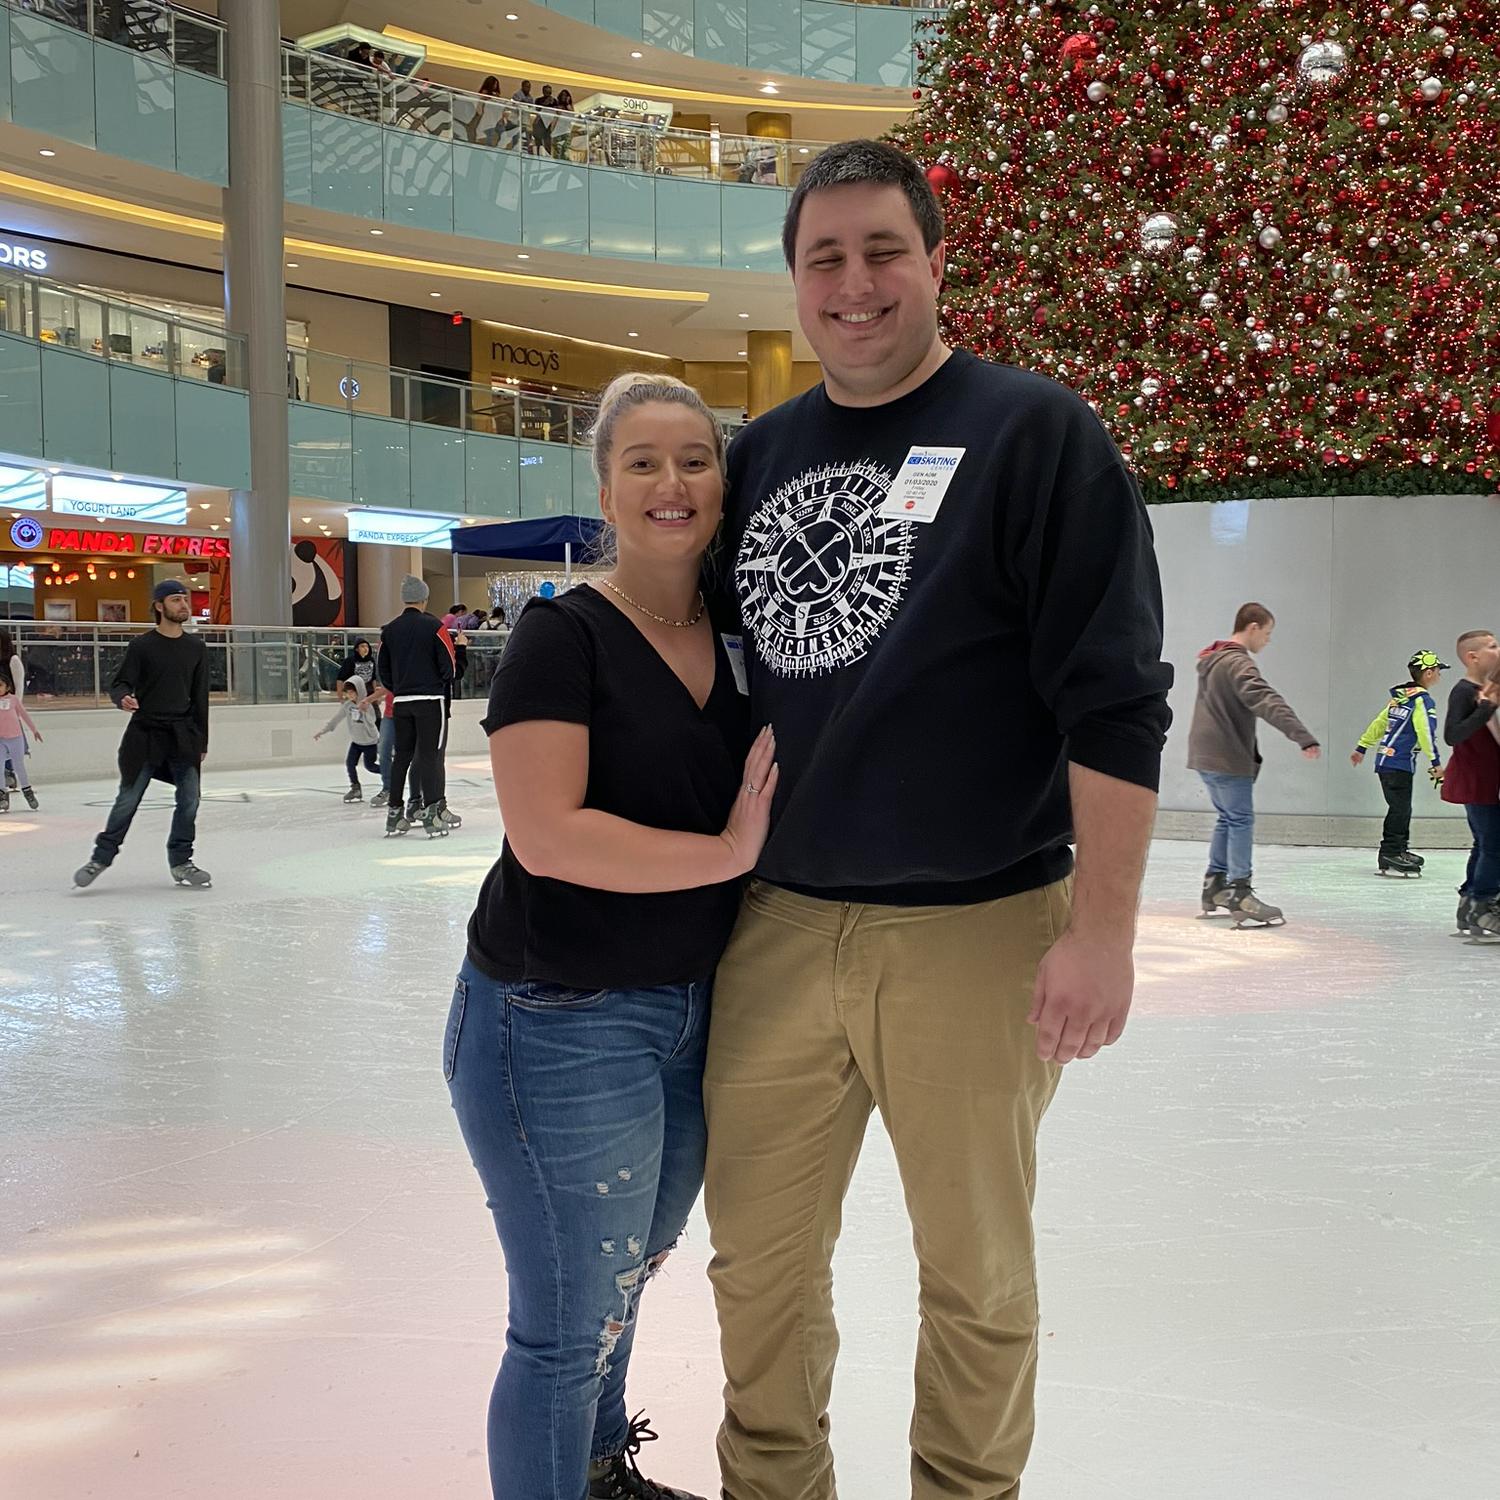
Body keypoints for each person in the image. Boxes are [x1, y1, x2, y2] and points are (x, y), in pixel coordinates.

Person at [706, 140, 1173, 1500]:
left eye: (881, 252)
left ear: (934, 259)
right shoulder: (766, 453)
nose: (855, 286)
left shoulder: (1038, 436)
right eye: (824, 261)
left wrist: (1104, 930)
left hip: (979, 929)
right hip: (779, 926)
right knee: (760, 1266)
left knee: (975, 1275)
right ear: (795, 282)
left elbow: (1113, 702)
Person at [444, 371, 771, 1500]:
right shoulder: (562, 632)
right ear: (606, 485)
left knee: (621, 1284)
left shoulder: (739, 634)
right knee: (566, 1318)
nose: (672, 483)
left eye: (695, 459)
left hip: (686, 1011)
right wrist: (727, 855)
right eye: (644, 462)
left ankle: (593, 1475)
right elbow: (547, 835)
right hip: (556, 1015)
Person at [1186, 602, 1320, 927]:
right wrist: (1302, 735)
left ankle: (1215, 883)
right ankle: (1240, 892)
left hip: (1204, 754)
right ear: (1253, 627)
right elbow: (1266, 700)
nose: (1267, 642)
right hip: (1226, 756)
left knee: (1228, 817)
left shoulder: (1213, 660)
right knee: (1241, 819)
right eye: (1268, 633)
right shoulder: (1237, 663)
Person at [74, 580, 211, 890]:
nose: (183, 606)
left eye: (184, 600)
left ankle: (181, 862)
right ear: (159, 606)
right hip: (145, 733)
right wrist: (121, 698)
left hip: (183, 733)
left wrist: (201, 740)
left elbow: (200, 696)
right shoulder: (142, 646)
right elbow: (120, 683)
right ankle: (101, 857)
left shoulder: (196, 647)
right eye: (176, 600)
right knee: (128, 798)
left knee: (190, 799)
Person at [1350, 650, 1447, 876]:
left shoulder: (1401, 697)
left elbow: (1379, 722)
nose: (1440, 675)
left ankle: (1398, 849)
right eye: (1438, 671)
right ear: (1430, 673)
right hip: (1399, 762)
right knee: (1400, 809)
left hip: (1386, 761)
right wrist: (1435, 762)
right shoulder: (1422, 700)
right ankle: (1391, 852)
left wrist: (1362, 746)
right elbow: (1425, 731)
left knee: (1401, 808)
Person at [377, 577, 455, 837]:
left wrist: (399, 687)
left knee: (402, 757)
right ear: (424, 599)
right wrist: (434, 681)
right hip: (430, 701)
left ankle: (395, 813)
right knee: (429, 756)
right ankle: (432, 812)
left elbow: (383, 671)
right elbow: (449, 667)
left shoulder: (389, 630)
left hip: (401, 702)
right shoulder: (435, 627)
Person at [1439, 628, 1500, 938]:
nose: (1498, 649)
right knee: (1494, 845)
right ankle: (1483, 904)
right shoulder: (1465, 691)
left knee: (1485, 842)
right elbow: (1453, 735)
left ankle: (1470, 902)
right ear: (1472, 656)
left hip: (1487, 780)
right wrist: (1487, 707)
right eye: (1492, 646)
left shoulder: (1486, 689)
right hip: (1476, 781)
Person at [315, 680, 381, 803]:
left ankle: (389, 774)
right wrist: (323, 731)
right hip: (356, 742)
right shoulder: (347, 706)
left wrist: (364, 712)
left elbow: (372, 723)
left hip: (369, 742)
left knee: (370, 766)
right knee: (350, 764)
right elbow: (336, 719)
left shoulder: (368, 705)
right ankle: (355, 788)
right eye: (348, 693)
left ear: (359, 691)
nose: (350, 695)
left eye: (352, 692)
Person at [0, 667, 41, 813]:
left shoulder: (13, 700)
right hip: (1, 740)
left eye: (0, 685)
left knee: (19, 766)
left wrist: (34, 730)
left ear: (7, 687)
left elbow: (24, 715)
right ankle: (2, 795)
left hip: (15, 738)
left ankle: (27, 791)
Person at [0, 627, 24, 790]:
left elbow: (19, 684)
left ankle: (9, 771)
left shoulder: (13, 660)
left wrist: (17, 709)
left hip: (8, 708)